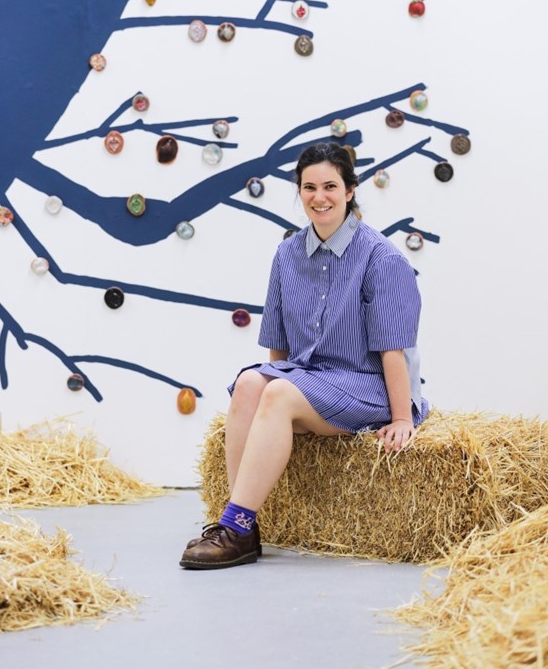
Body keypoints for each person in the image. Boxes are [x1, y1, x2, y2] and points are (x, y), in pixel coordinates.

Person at [180, 142, 428, 570]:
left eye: (330, 186)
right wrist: (270, 381)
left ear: (350, 191)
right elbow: (278, 347)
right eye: (309, 187)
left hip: (368, 384)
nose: (320, 197)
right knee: (250, 383)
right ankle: (241, 527)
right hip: (313, 377)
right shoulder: (287, 254)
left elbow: (394, 350)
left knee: (279, 396)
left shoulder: (382, 258)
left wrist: (403, 417)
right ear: (299, 192)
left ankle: (235, 529)